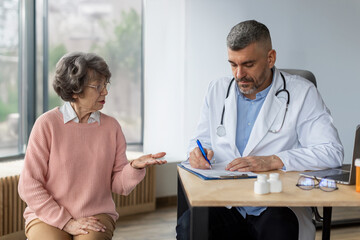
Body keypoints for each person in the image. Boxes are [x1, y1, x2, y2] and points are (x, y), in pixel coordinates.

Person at [176, 20, 344, 240]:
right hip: (227, 202)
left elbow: (332, 152)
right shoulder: (217, 90)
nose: (238, 74)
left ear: (270, 58)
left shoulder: (302, 93)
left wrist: (275, 160)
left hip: (275, 204)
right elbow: (199, 140)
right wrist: (198, 152)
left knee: (278, 230)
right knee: (190, 226)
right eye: (233, 64)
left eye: (248, 64)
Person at [18, 52, 167, 240]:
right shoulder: (47, 124)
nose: (105, 92)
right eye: (98, 86)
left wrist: (134, 168)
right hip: (47, 215)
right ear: (74, 90)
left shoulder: (111, 127)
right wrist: (66, 222)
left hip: (95, 213)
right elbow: (29, 185)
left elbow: (119, 186)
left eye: (105, 85)